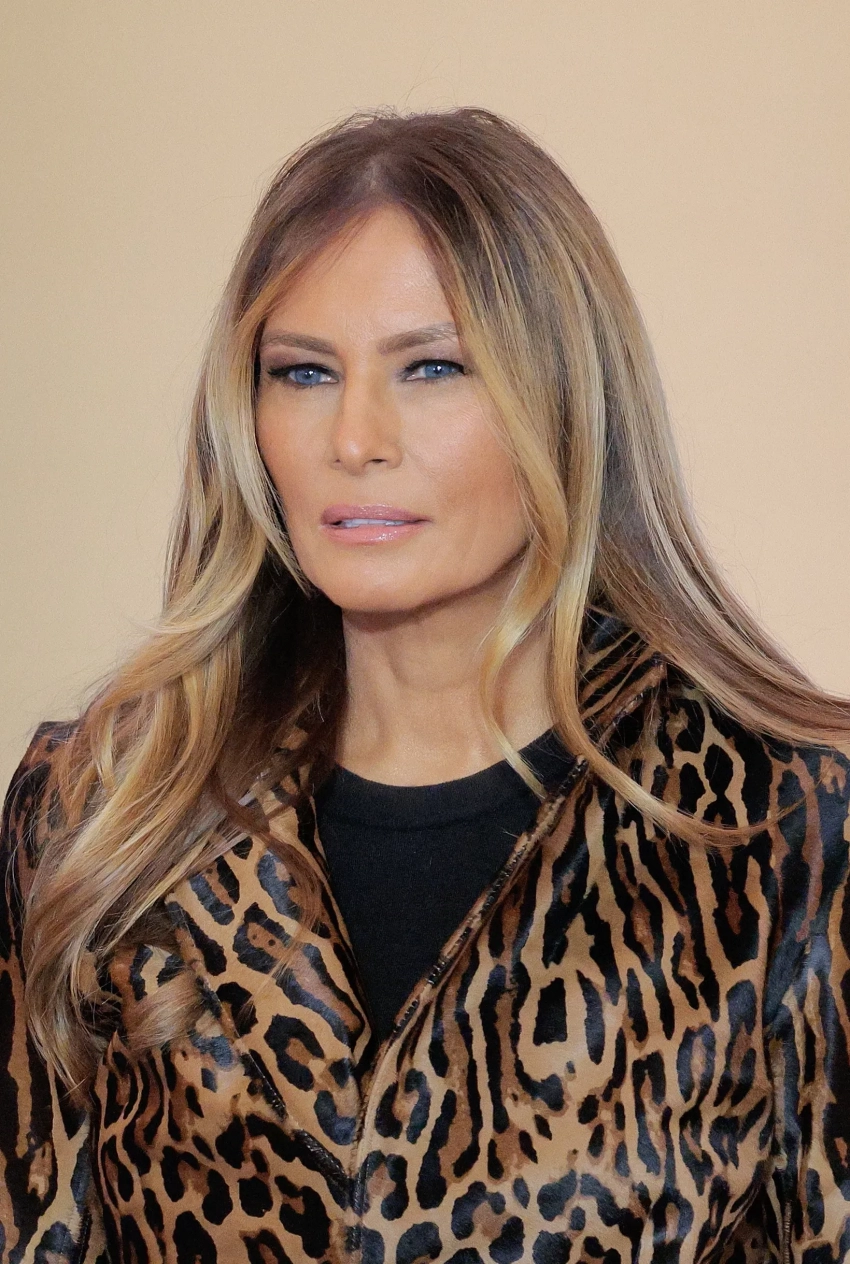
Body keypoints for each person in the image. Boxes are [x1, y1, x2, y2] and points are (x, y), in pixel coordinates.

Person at [1, 106, 849, 1264]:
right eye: (303, 372)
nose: (354, 438)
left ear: (562, 398)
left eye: (433, 367)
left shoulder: (785, 832)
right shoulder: (102, 810)